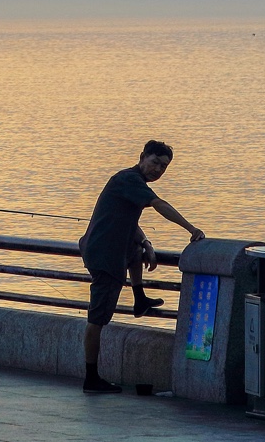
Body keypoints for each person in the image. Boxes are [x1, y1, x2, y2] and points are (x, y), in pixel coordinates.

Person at [77, 139, 204, 394]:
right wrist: (191, 229)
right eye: (155, 162)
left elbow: (128, 219)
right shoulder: (129, 179)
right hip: (105, 256)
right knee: (97, 319)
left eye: (164, 167)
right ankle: (91, 379)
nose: (158, 169)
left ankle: (139, 298)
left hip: (107, 248)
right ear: (142, 156)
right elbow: (159, 205)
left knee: (136, 251)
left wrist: (146, 242)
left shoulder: (130, 182)